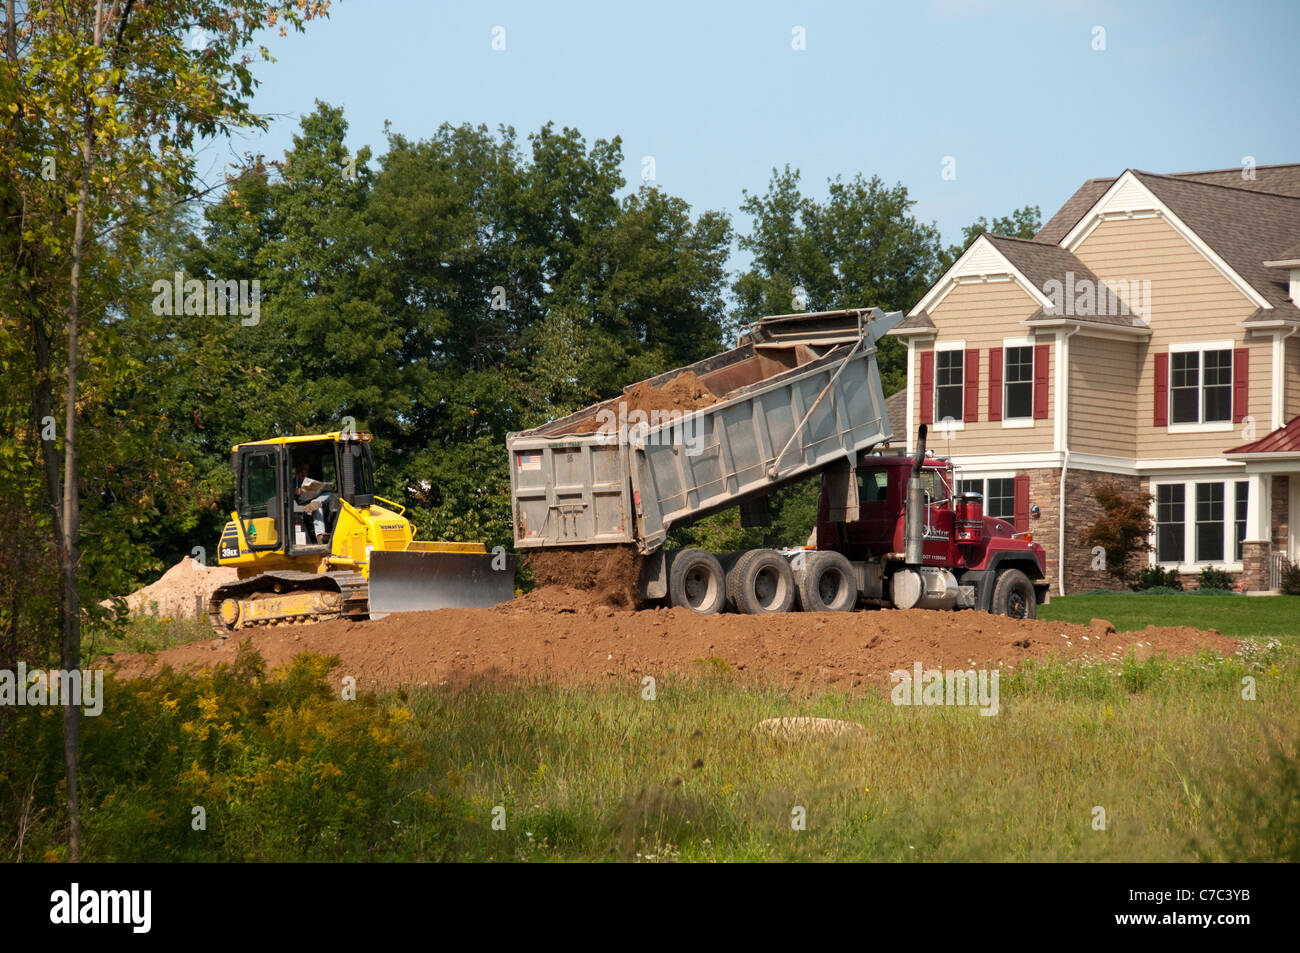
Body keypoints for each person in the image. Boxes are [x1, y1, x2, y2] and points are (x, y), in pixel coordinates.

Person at [293, 460, 331, 542]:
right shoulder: (292, 483)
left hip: (314, 502)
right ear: (297, 472)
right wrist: (296, 491)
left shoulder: (310, 482)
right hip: (303, 506)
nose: (304, 474)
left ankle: (317, 501)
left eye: (305, 472)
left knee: (329, 494)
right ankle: (320, 535)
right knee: (317, 509)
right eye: (302, 472)